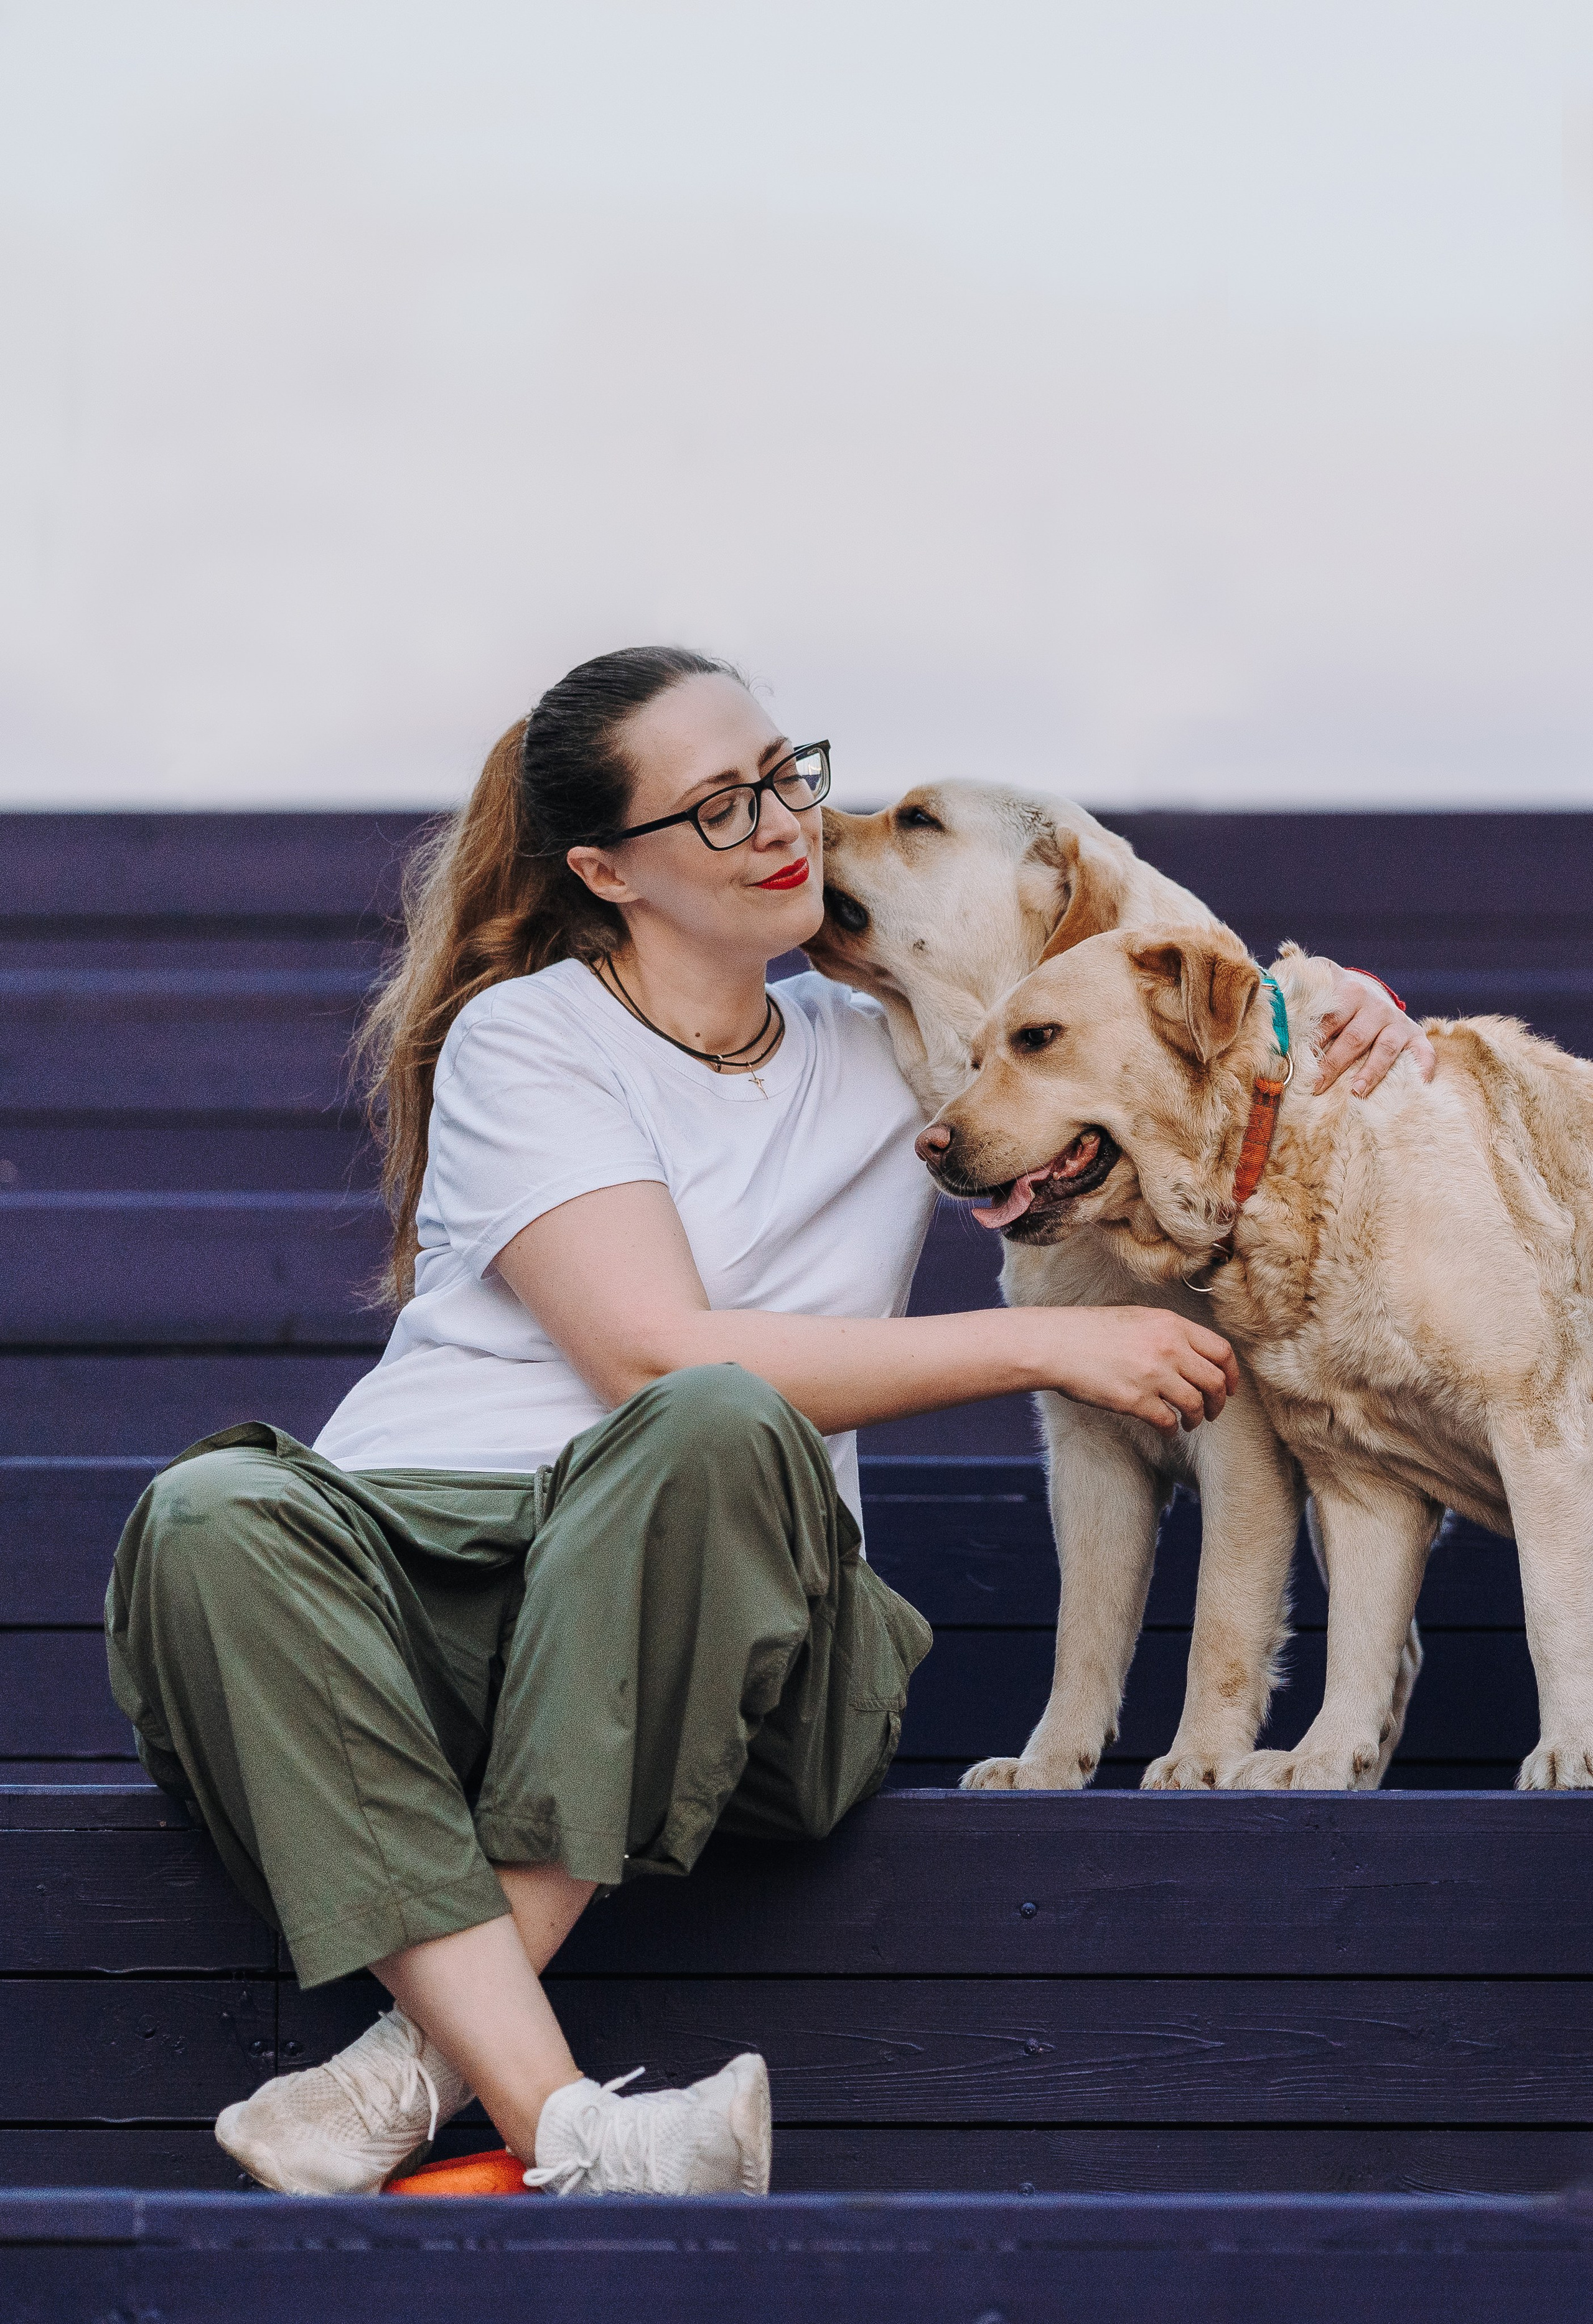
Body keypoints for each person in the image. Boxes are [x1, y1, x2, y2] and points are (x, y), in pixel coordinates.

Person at [105, 647, 1432, 2200]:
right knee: (211, 1517)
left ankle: (420, 2073)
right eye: (719, 808)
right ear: (608, 871)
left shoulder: (891, 1046)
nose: (785, 825)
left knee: (720, 1432)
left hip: (731, 1627)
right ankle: (570, 2123)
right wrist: (1044, 1337)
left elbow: (1147, 975)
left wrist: (1320, 1000)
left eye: (785, 772)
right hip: (430, 1580)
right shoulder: (529, 1036)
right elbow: (645, 1350)